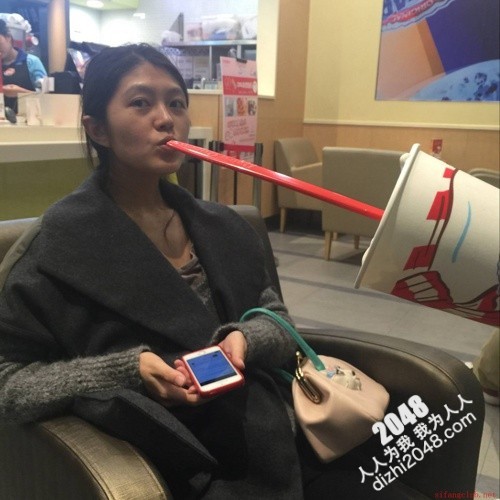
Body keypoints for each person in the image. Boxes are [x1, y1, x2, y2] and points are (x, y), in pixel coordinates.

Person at [0, 44, 423, 499]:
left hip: (285, 436)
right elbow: (9, 384)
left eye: (176, 103)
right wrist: (126, 370)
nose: (166, 119)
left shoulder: (223, 227)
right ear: (98, 129)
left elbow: (276, 319)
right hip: (176, 466)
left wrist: (246, 339)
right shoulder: (57, 248)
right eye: (141, 103)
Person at [0, 18, 47, 113]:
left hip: (29, 119)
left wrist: (20, 93)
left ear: (8, 37)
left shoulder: (32, 62)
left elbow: (47, 98)